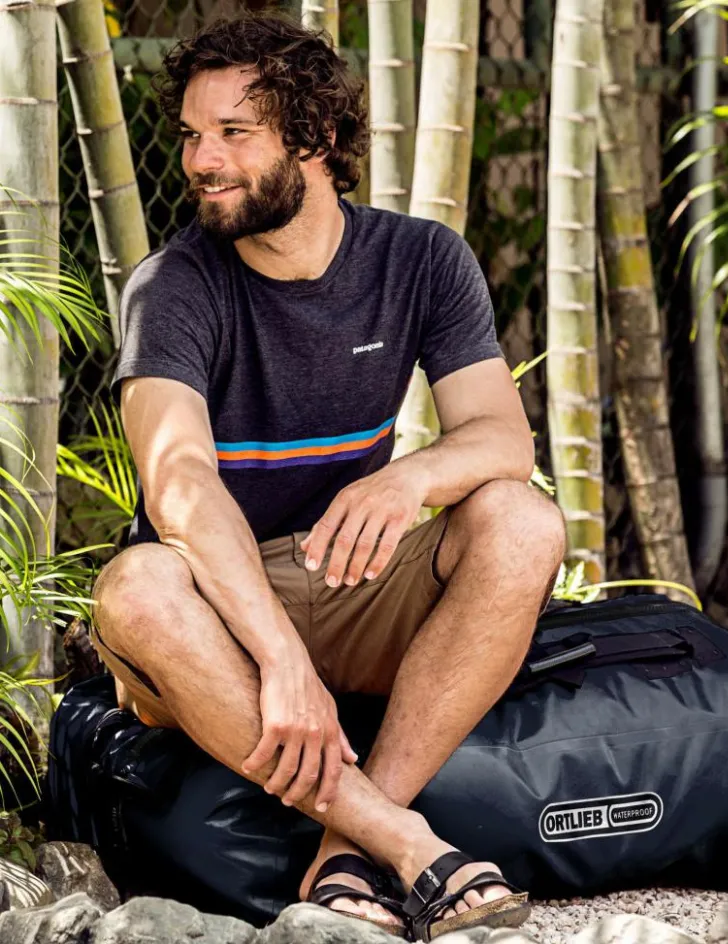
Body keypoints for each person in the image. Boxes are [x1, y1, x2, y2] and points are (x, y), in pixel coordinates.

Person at [88, 12, 566, 942]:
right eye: (191, 134)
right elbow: (179, 487)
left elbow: (504, 440)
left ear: (316, 139)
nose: (201, 160)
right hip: (219, 603)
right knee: (136, 587)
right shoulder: (173, 286)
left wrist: (406, 480)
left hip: (353, 578)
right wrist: (279, 660)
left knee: (522, 521)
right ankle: (406, 844)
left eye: (234, 133)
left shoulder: (421, 259)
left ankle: (341, 853)